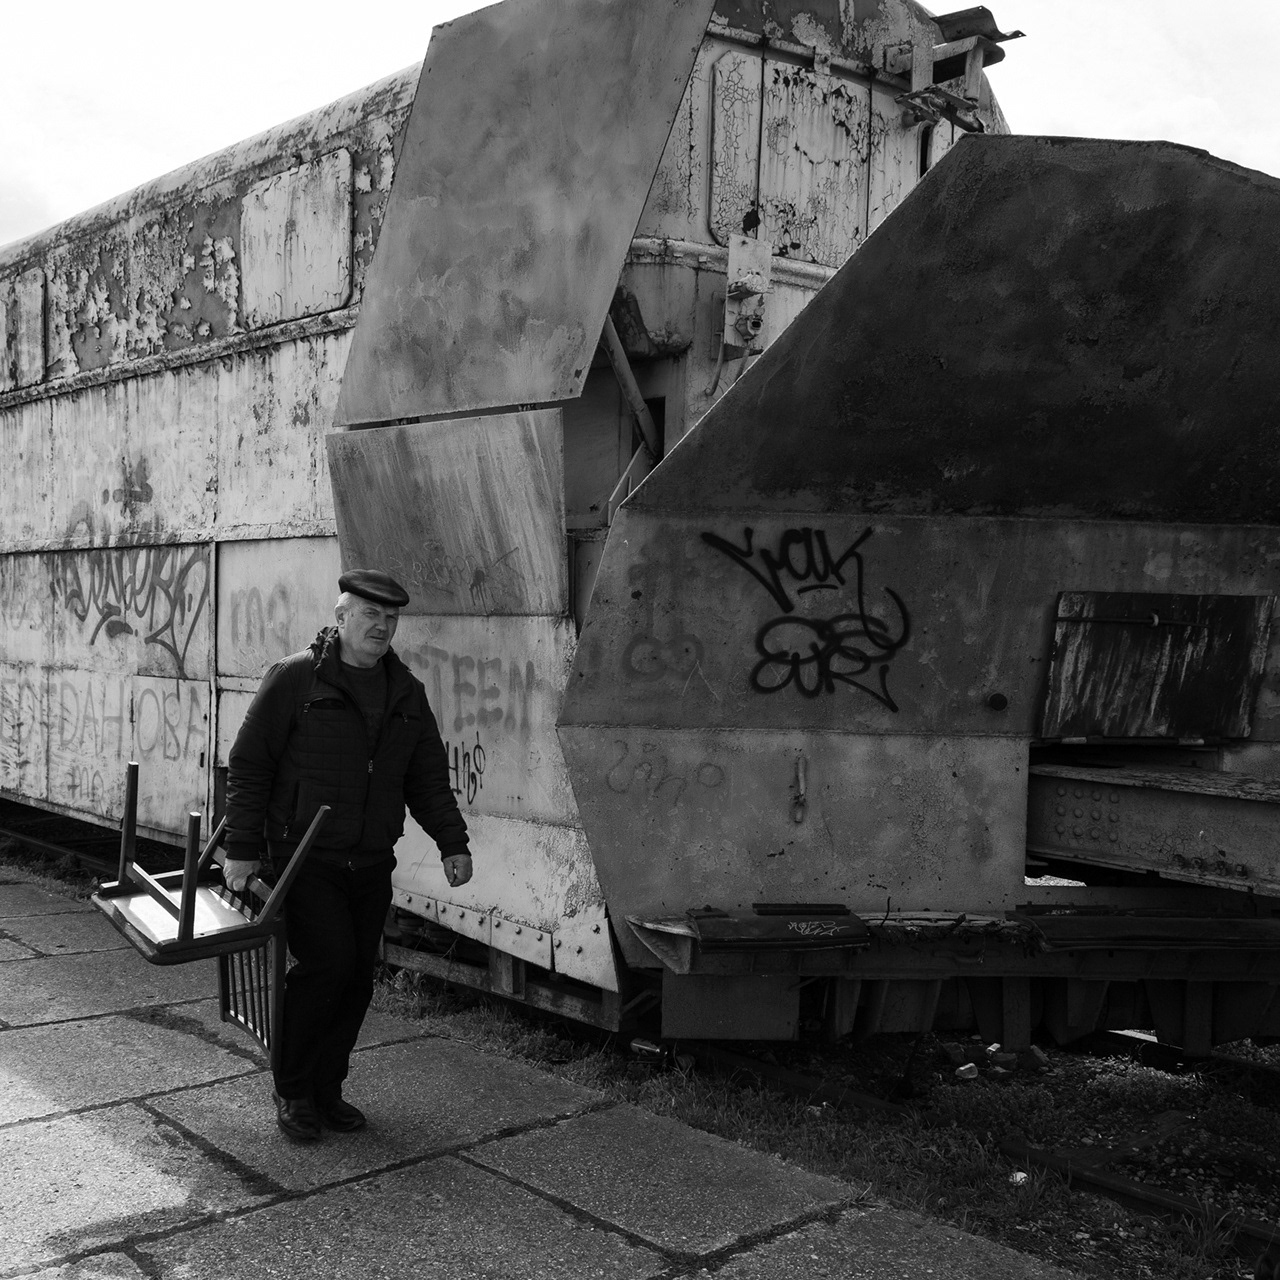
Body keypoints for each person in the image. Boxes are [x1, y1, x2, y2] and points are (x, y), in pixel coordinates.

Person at [223, 569, 471, 1142]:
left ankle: (327, 1089)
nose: (382, 626)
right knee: (327, 965)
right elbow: (250, 764)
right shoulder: (295, 678)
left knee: (357, 978)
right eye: (369, 614)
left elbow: (426, 777)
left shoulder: (405, 691)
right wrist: (241, 849)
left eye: (391, 618)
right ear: (341, 617)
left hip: (371, 859)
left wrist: (452, 842)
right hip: (305, 857)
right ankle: (293, 1089)